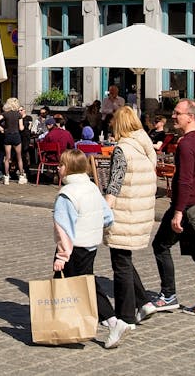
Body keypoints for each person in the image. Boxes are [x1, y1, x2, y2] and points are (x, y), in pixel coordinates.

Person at [147, 99, 195, 318]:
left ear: (191, 117)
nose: (173, 116)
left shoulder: (187, 144)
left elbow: (185, 180)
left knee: (160, 246)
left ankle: (168, 295)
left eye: (178, 113)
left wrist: (178, 212)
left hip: (187, 208)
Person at [102, 106, 157, 347]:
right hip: (140, 210)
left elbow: (115, 182)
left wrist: (105, 209)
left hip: (125, 211)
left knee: (120, 263)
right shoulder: (145, 147)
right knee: (125, 257)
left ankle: (125, 316)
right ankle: (144, 301)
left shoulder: (123, 149)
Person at [51, 149, 118, 348]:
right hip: (90, 244)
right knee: (83, 283)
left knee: (76, 287)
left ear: (69, 169)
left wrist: (62, 256)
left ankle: (111, 320)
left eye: (61, 165)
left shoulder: (67, 194)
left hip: (73, 247)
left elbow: (64, 228)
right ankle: (70, 324)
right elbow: (108, 216)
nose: (58, 167)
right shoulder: (92, 187)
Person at [0, 97, 27, 184]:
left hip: (7, 136)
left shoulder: (5, 114)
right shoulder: (18, 114)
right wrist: (23, 119)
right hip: (16, 136)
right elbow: (21, 128)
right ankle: (21, 176)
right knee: (19, 157)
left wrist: (1, 128)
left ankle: (6, 176)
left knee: (7, 158)